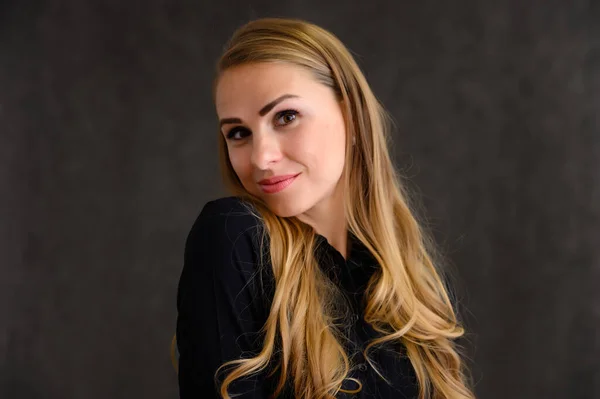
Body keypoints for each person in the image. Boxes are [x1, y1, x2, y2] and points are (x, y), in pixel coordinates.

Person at [176, 17, 475, 399]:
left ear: (351, 117)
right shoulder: (233, 239)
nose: (261, 157)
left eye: (286, 117)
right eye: (238, 133)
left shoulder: (416, 283)